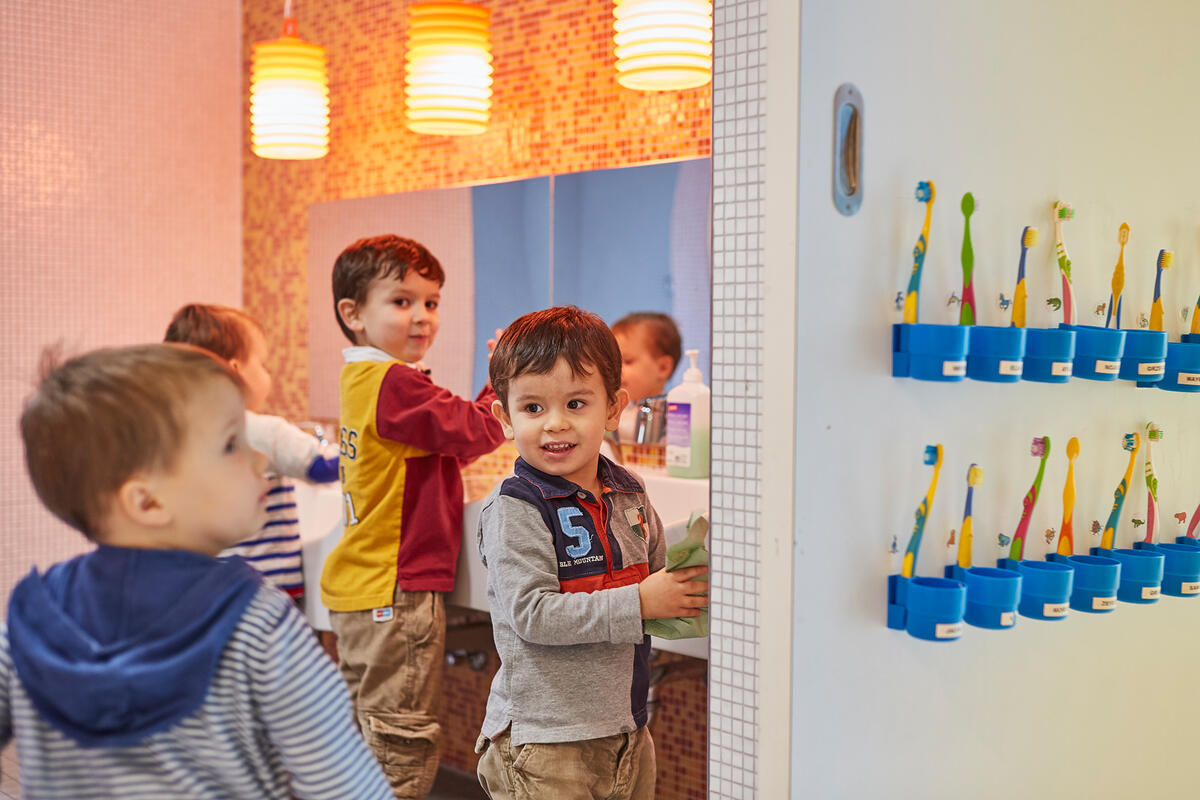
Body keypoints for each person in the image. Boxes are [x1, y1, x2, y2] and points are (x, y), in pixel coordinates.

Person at [1, 343, 391, 798]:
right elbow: (344, 786)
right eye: (231, 445)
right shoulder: (257, 623)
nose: (261, 461)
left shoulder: (32, 620)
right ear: (147, 501)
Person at [475, 306, 708, 800]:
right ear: (505, 418)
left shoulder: (629, 493)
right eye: (533, 408)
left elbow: (658, 576)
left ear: (613, 408)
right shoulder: (516, 507)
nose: (555, 424)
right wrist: (642, 603)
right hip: (546, 741)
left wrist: (695, 579)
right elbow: (533, 615)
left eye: (576, 404)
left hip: (626, 729)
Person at [324, 233, 507, 798]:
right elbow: (478, 430)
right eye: (402, 301)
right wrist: (507, 373)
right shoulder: (396, 383)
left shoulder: (365, 379)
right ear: (352, 314)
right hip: (395, 591)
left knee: (369, 735)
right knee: (400, 743)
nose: (422, 317)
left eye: (431, 302)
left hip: (361, 587)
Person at [165, 303, 339, 600]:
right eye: (263, 364)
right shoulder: (261, 431)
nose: (268, 374)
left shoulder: (175, 432)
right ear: (234, 373)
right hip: (268, 590)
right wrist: (364, 447)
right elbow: (321, 468)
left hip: (204, 589)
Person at [611, 312, 682, 442]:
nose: (617, 369)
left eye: (627, 361)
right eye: (614, 361)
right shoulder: (623, 413)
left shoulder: (674, 419)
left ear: (663, 368)